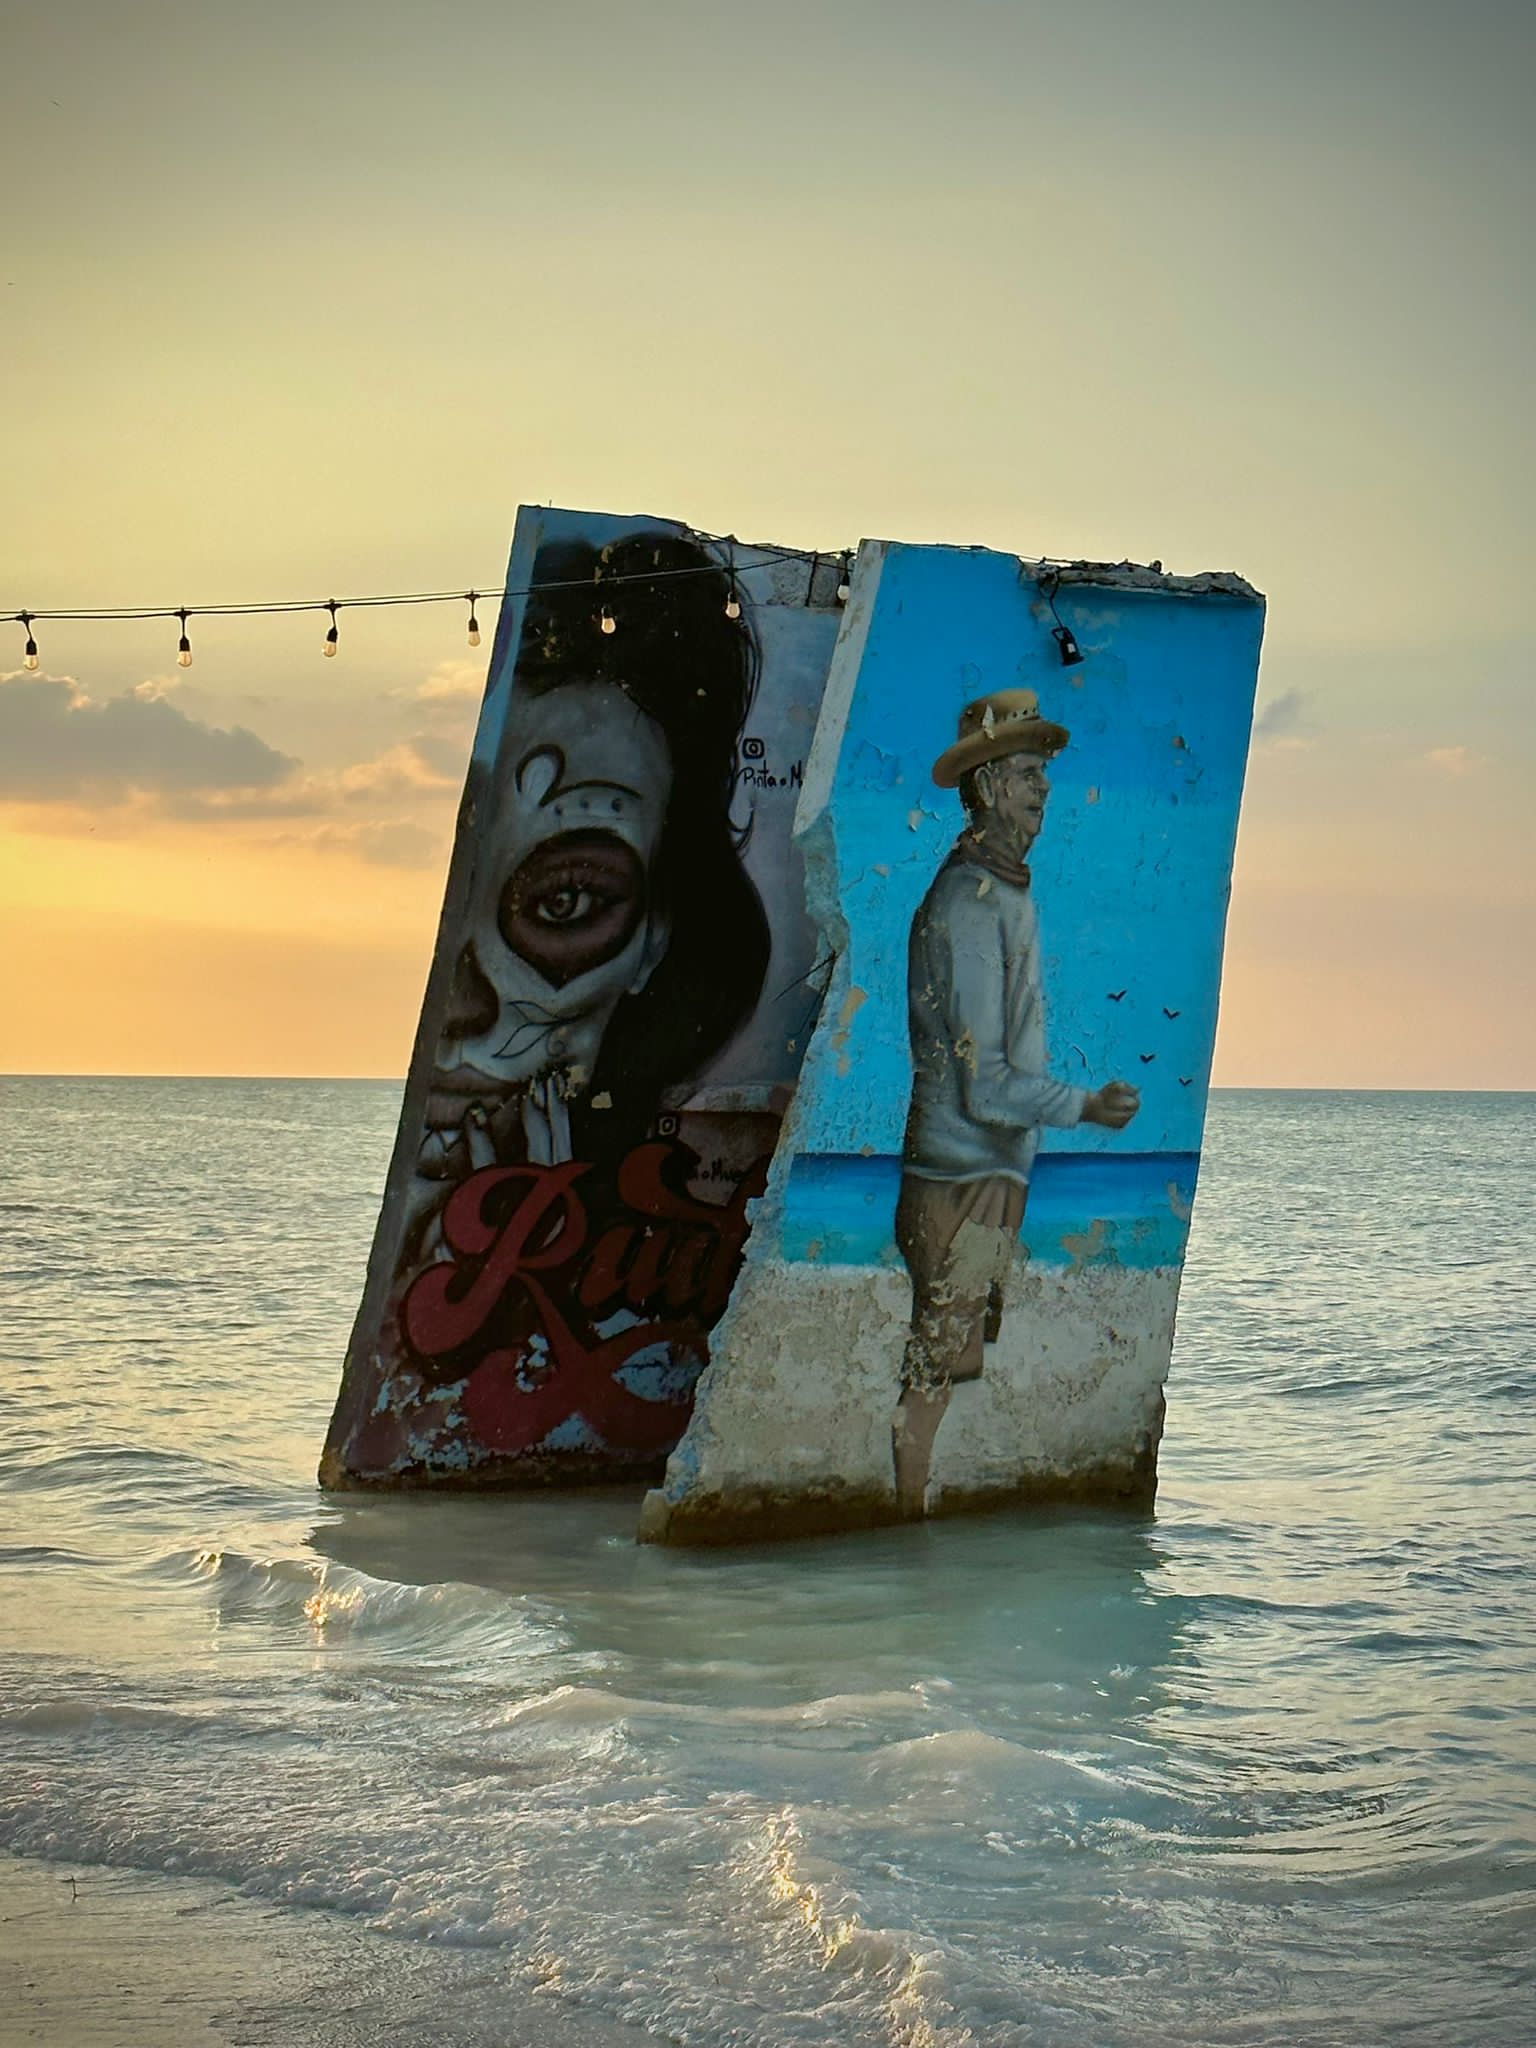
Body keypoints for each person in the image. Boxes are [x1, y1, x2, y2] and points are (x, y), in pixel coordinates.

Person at [892, 688, 1140, 1518]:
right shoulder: (972, 903)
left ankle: (909, 1541)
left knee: (943, 1371)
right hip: (961, 1182)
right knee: (931, 1375)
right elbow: (987, 1082)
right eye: (1030, 774)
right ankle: (903, 1531)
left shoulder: (1006, 893)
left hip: (982, 1175)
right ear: (991, 784)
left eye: (1045, 775)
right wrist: (1086, 1106)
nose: (1044, 790)